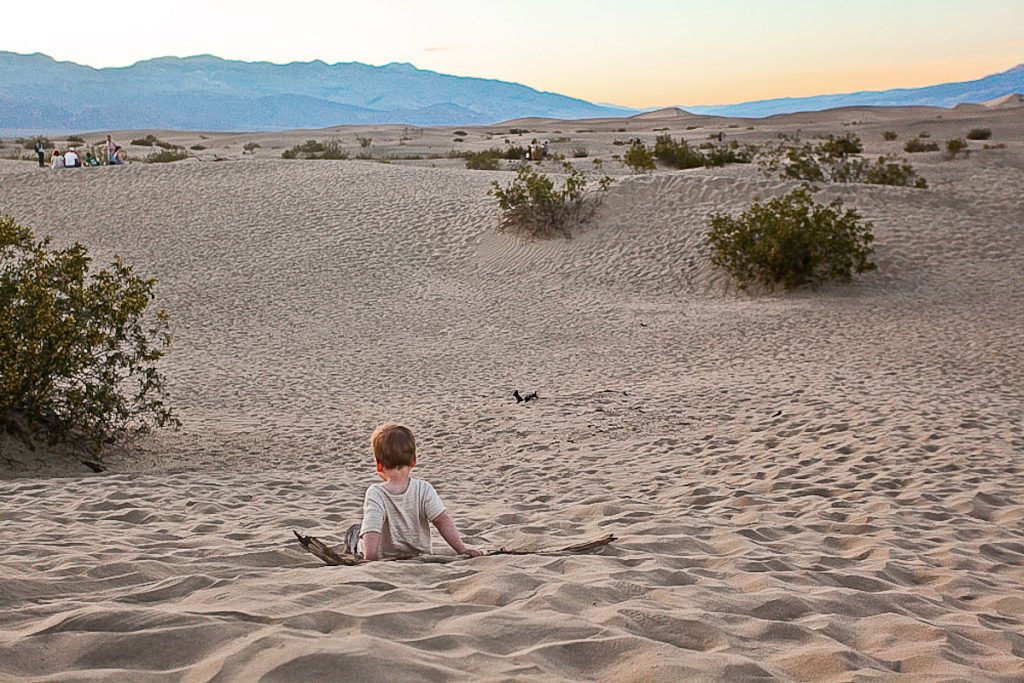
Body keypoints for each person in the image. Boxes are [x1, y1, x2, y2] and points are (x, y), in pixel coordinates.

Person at [359, 423, 482, 561]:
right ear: (414, 461)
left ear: (379, 465)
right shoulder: (423, 489)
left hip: (388, 557)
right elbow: (442, 520)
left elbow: (372, 529)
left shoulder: (375, 492)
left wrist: (370, 558)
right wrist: (462, 549)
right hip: (419, 554)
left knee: (356, 534)